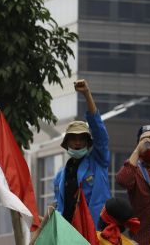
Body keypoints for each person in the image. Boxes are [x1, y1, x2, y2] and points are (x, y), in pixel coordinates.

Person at [53, 80, 110, 227]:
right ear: (67, 143)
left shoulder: (98, 161)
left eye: (81, 138)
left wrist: (86, 94)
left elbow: (99, 133)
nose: (77, 142)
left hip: (95, 230)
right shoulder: (60, 176)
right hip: (68, 234)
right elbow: (59, 207)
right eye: (73, 139)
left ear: (88, 142)